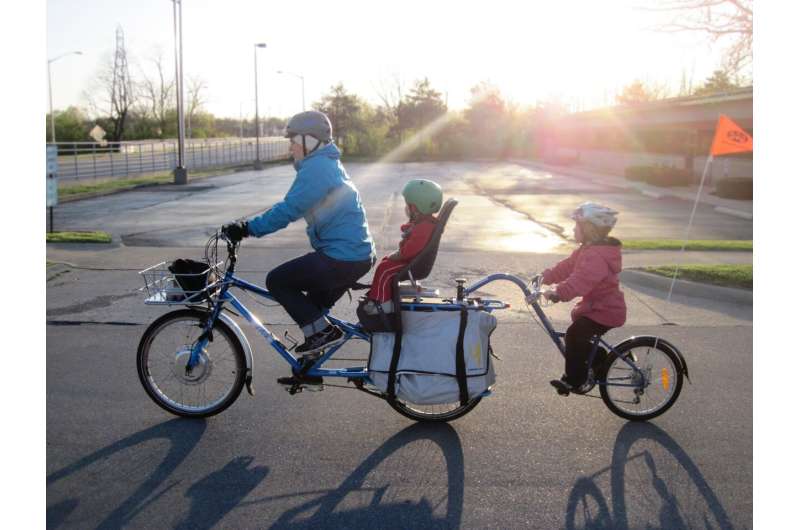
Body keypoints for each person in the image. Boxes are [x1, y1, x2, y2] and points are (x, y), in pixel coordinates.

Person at [221, 110, 375, 363]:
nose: (291, 147)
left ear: (310, 140)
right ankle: (310, 367)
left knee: (279, 281)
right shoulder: (326, 163)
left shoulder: (317, 168)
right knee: (312, 313)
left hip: (343, 257)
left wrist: (247, 228)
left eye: (294, 141)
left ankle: (323, 334)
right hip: (352, 254)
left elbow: (289, 209)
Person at [532, 202, 626, 396]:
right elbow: (567, 267)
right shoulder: (587, 250)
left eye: (577, 226)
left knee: (575, 334)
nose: (573, 229)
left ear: (589, 229)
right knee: (577, 337)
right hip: (596, 308)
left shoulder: (597, 257)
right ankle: (600, 358)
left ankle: (576, 381)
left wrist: (559, 293)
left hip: (606, 311)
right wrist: (545, 276)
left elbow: (581, 281)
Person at [365, 179, 442, 307]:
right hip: (414, 261)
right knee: (385, 262)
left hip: (414, 264)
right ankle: (381, 292)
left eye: (408, 205)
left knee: (384, 269)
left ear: (416, 207)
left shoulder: (424, 227)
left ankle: (381, 304)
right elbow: (412, 237)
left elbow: (409, 251)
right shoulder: (425, 222)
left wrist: (397, 255)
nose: (406, 208)